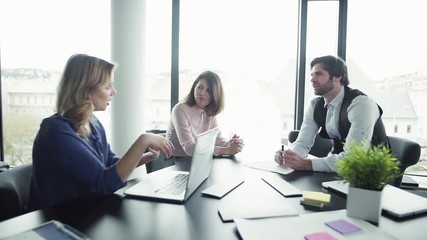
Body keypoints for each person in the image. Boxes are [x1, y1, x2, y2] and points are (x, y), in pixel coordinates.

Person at [28, 54, 174, 210]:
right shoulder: (55, 131)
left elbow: (111, 164)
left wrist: (146, 156)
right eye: (108, 86)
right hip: (60, 220)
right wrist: (143, 140)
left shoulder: (92, 122)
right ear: (85, 89)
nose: (114, 92)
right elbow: (105, 183)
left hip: (88, 211)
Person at [275, 55, 388, 172]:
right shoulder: (315, 105)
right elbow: (302, 143)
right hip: (337, 171)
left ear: (337, 77)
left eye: (318, 74)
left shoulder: (360, 104)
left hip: (370, 175)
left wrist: (306, 164)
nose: (312, 79)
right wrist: (289, 157)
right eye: (312, 75)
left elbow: (353, 159)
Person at [166, 71, 244, 157]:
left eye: (208, 90)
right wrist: (225, 150)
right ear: (194, 88)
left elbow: (217, 138)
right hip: (176, 161)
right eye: (200, 87)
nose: (202, 93)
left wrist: (231, 144)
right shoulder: (180, 109)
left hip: (200, 159)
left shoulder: (209, 110)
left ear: (215, 94)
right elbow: (190, 148)